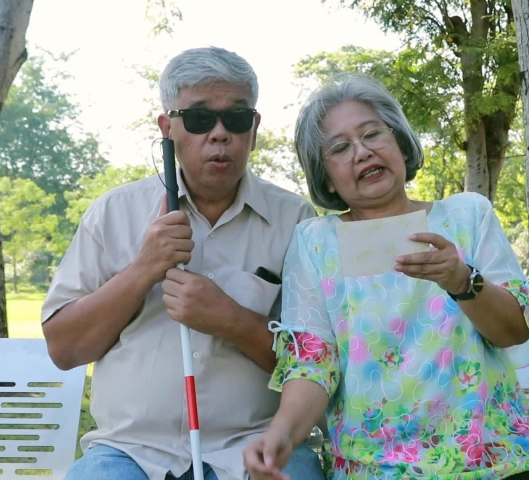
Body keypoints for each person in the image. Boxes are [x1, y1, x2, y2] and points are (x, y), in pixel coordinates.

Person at [242, 73, 529, 480]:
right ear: (324, 175)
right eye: (341, 148)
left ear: (398, 141)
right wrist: (282, 435)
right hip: (378, 468)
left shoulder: (466, 215)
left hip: (502, 457)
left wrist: (464, 282)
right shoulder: (316, 242)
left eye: (372, 134)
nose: (362, 152)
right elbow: (312, 365)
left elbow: (514, 333)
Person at [40, 46, 325, 480]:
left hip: (256, 443)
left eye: (236, 118)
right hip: (131, 451)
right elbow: (64, 349)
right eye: (198, 118)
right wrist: (142, 270)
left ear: (254, 127)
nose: (219, 134)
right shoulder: (113, 213)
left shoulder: (296, 220)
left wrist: (232, 321)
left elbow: (316, 360)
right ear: (167, 127)